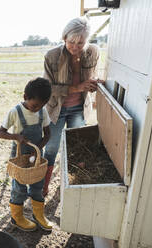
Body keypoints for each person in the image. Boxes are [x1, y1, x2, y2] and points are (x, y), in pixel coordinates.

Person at [42, 17, 101, 197]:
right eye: (71, 42)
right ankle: (43, 186)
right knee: (51, 148)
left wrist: (95, 84)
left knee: (77, 146)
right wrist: (77, 87)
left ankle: (73, 184)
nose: (75, 47)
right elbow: (46, 89)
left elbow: (95, 76)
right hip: (56, 109)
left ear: (87, 41)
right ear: (64, 38)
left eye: (80, 43)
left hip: (79, 108)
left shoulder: (93, 52)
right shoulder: (52, 56)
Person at [0, 77, 52, 231]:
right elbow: (0, 133)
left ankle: (38, 215)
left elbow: (47, 134)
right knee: (19, 186)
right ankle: (17, 217)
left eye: (41, 106)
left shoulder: (42, 111)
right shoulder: (15, 112)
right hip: (20, 155)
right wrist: (16, 137)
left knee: (37, 184)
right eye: (34, 105)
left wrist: (38, 149)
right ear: (25, 97)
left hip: (36, 155)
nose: (37, 109)